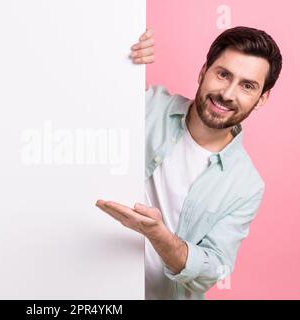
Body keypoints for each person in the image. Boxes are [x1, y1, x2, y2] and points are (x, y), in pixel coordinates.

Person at [96, 26, 282, 300]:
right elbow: (86, 96)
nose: (228, 94)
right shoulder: (146, 105)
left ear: (262, 98)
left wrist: (159, 236)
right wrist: (120, 49)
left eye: (247, 85)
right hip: (86, 285)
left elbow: (210, 270)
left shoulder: (247, 185)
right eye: (223, 74)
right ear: (203, 71)